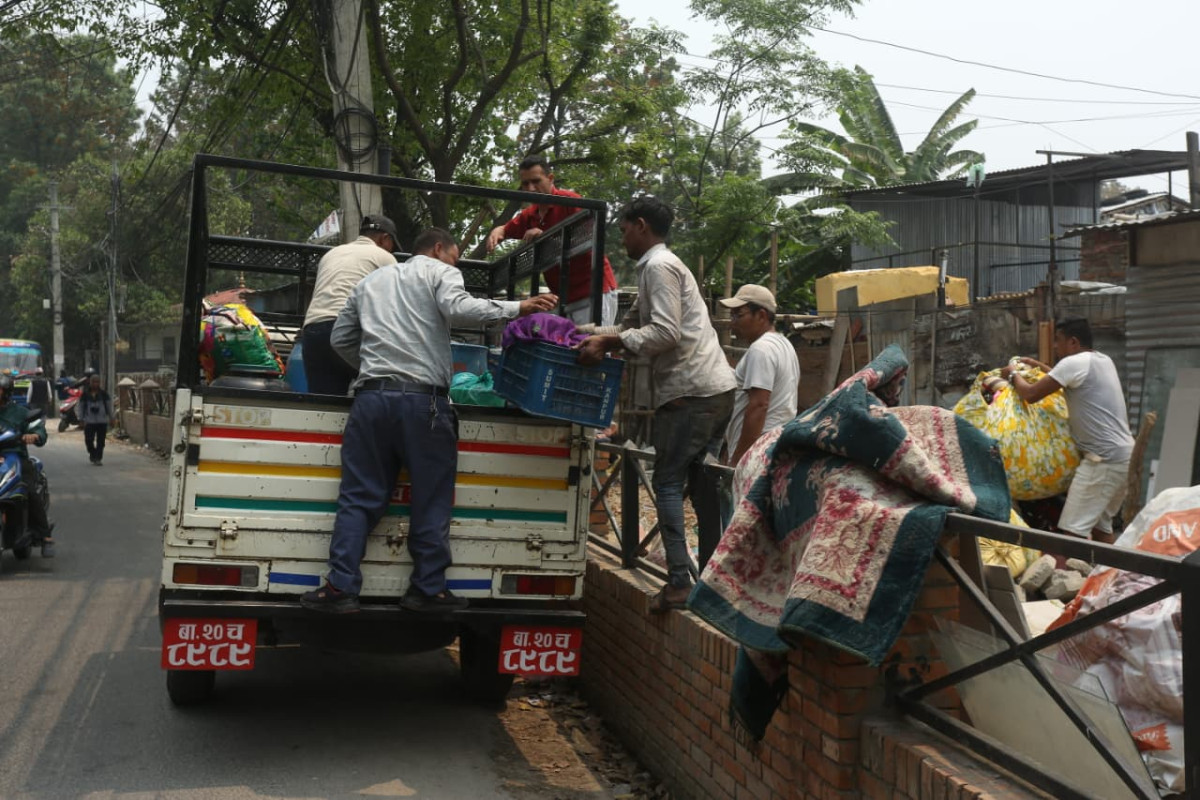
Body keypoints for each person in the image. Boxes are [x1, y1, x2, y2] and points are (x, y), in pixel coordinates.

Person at [301, 228, 559, 614]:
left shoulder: (370, 282)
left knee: (357, 498)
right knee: (431, 498)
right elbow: (458, 308)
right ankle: (427, 588)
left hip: (370, 401)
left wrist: (373, 370)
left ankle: (340, 587)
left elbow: (340, 338)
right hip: (425, 404)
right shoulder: (440, 272)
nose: (454, 264)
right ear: (439, 249)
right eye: (455, 256)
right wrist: (517, 308)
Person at [577, 197, 736, 612]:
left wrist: (609, 342)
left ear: (641, 226)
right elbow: (631, 327)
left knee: (666, 480)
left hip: (694, 392)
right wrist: (584, 332)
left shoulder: (659, 267)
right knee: (702, 485)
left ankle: (680, 582)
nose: (622, 237)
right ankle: (712, 583)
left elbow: (664, 333)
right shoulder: (656, 269)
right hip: (711, 389)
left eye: (625, 229)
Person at [1001, 317, 1134, 544]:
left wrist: (1013, 375)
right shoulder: (1102, 360)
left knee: (1072, 533)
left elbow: (1031, 395)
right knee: (1101, 528)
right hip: (1124, 457)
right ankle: (1110, 578)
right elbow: (1061, 376)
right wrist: (1036, 364)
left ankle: (1069, 578)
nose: (1055, 346)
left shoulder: (1074, 364)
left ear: (1073, 342)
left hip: (1102, 460)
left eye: (1058, 341)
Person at [485, 155, 619, 326]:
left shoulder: (569, 201)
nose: (531, 189)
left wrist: (546, 237)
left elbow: (589, 237)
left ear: (550, 179)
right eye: (525, 184)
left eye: (536, 181)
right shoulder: (530, 214)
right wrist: (497, 232)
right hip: (563, 297)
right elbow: (505, 228)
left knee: (590, 348)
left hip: (592, 291)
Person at [301, 214, 400, 395]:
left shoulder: (331, 253)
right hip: (347, 330)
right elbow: (393, 306)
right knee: (376, 392)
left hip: (313, 330)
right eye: (392, 246)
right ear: (385, 238)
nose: (392, 251)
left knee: (322, 405)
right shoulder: (385, 257)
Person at [720, 284, 800, 469]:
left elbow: (759, 405)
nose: (733, 323)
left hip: (757, 454)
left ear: (761, 315)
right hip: (775, 446)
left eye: (739, 315)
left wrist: (738, 460)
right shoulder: (783, 344)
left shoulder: (761, 349)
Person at [0, 375, 54, 556]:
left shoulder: (20, 412)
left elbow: (38, 428)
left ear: (6, 392)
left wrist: (35, 435)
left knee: (28, 490)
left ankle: (45, 535)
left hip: (15, 458)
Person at [79, 373, 115, 466]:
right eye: (93, 382)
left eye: (97, 382)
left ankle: (98, 458)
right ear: (90, 383)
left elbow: (109, 407)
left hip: (102, 421)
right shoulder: (85, 394)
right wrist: (81, 419)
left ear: (99, 383)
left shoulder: (104, 394)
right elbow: (81, 408)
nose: (95, 384)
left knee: (101, 441)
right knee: (88, 440)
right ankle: (93, 453)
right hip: (89, 421)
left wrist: (112, 418)